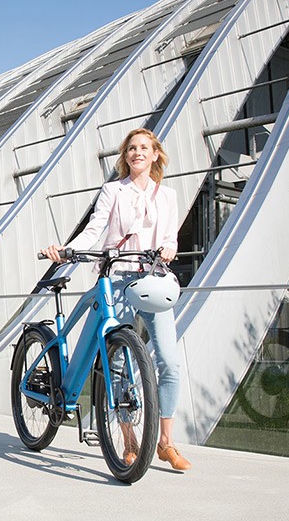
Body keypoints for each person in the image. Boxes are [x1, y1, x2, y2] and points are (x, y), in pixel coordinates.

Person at [41, 128, 190, 471]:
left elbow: (171, 237)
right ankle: (129, 440)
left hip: (154, 278)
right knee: (119, 361)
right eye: (131, 149)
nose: (137, 153)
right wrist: (66, 250)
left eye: (144, 148)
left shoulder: (167, 195)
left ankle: (166, 442)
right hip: (118, 278)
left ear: (155, 155)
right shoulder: (113, 191)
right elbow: (95, 230)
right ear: (126, 157)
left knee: (169, 360)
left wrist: (169, 248)